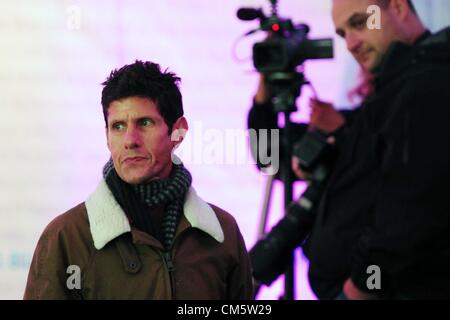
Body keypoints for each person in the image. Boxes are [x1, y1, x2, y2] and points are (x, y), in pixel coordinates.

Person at [248, 0, 450, 299]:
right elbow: (269, 157)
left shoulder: (426, 84)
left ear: (398, 7)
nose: (352, 43)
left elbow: (408, 216)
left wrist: (361, 288)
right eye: (343, 34)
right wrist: (265, 89)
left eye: (359, 23)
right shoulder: (374, 110)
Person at [24, 60, 253, 300]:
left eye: (144, 123)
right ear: (106, 136)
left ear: (179, 132)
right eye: (118, 126)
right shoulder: (67, 236)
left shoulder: (222, 233)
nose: (130, 140)